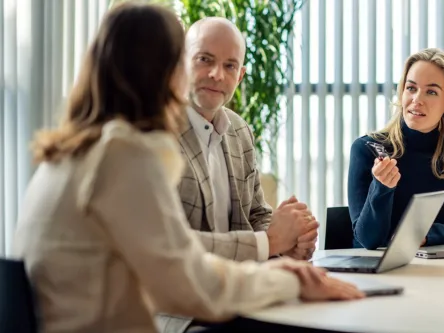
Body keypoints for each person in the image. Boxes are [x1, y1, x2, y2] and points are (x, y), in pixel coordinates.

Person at [12, 3, 364, 333]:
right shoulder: (121, 155)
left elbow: (176, 262)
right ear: (165, 71)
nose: (209, 74)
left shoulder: (78, 149)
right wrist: (294, 280)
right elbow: (190, 283)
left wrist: (279, 256)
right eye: (188, 60)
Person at [177, 17, 317, 263]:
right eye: (204, 59)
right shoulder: (156, 132)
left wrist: (289, 243)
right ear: (181, 62)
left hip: (239, 286)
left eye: (230, 66)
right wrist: (270, 242)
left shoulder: (240, 131)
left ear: (240, 76)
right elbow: (171, 242)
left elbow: (255, 214)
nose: (217, 75)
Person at [347, 48, 444, 250]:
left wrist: (426, 235)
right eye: (411, 88)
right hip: (374, 272)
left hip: (433, 269)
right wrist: (382, 187)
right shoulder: (366, 149)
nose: (417, 100)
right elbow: (368, 240)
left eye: (431, 91)